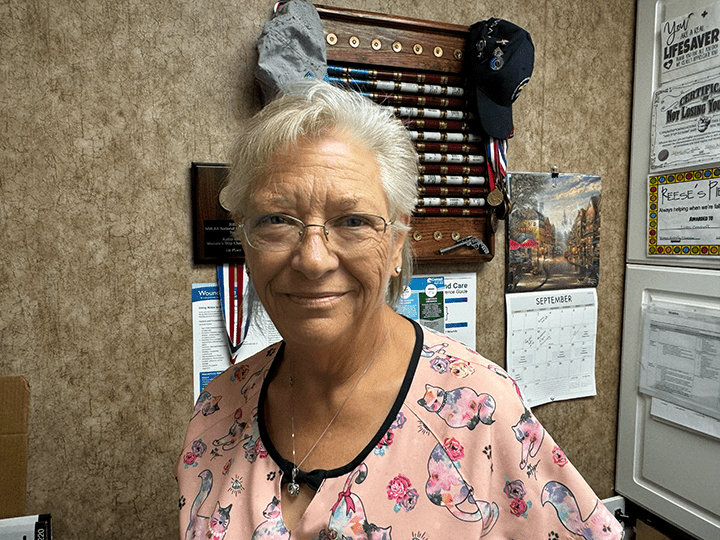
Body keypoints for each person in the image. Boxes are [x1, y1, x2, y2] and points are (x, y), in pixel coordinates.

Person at [175, 81, 623, 540]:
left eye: (352, 221)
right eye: (276, 221)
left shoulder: (479, 412)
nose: (312, 259)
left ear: (395, 245)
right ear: (245, 243)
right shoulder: (216, 411)